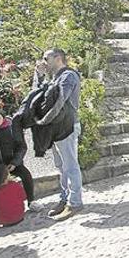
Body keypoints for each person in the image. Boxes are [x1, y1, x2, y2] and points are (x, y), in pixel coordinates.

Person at [33, 48, 82, 221]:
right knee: (61, 167)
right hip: (55, 128)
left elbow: (60, 101)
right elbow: (37, 95)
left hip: (66, 126)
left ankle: (75, 202)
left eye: (46, 58)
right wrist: (38, 76)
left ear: (58, 58)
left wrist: (44, 121)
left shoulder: (68, 76)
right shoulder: (54, 78)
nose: (43, 61)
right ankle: (65, 198)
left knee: (70, 165)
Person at [0, 108, 35, 205]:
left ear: (3, 118)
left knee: (26, 176)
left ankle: (31, 201)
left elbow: (21, 147)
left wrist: (14, 162)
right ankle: (2, 206)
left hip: (12, 164)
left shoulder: (12, 131)